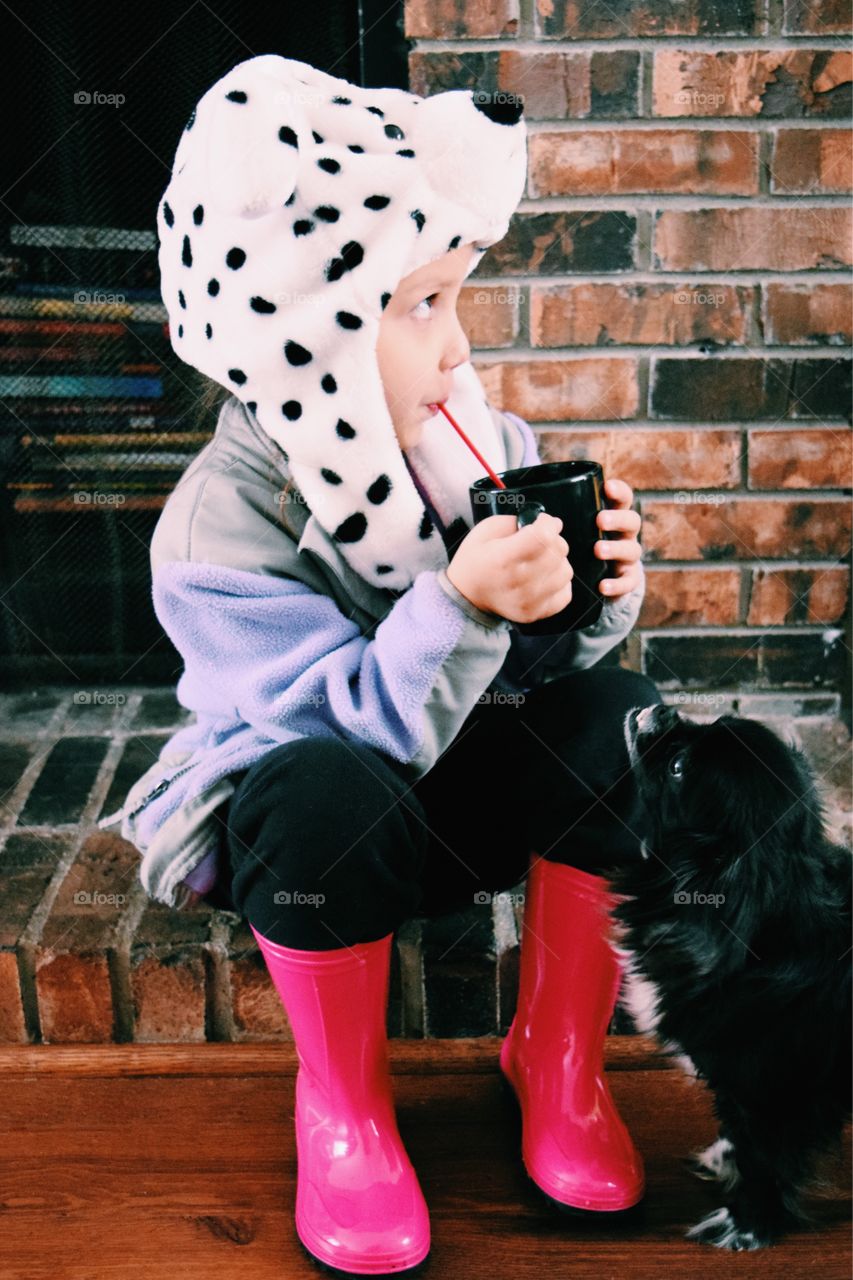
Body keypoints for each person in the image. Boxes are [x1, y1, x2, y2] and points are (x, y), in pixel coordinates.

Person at [98, 54, 663, 1278]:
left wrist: (599, 585)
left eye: (455, 298)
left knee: (620, 719)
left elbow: (556, 668)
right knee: (312, 792)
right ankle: (343, 1106)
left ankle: (556, 1057)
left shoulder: (472, 440)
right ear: (309, 341)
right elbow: (345, 735)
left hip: (466, 785)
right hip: (338, 835)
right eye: (418, 307)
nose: (457, 349)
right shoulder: (211, 534)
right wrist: (458, 601)